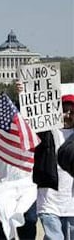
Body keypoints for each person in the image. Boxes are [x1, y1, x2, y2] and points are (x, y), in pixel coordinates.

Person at [34, 93, 74, 240]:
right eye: (64, 110)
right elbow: (30, 118)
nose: (67, 115)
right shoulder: (46, 132)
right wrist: (22, 94)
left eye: (72, 112)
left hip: (71, 205)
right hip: (49, 201)